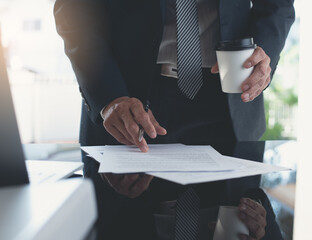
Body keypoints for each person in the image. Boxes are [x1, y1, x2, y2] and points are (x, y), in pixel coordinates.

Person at [54, 0, 294, 239]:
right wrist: (108, 95)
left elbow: (277, 5)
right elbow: (74, 9)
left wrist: (264, 51)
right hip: (127, 102)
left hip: (231, 100)